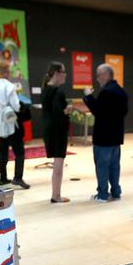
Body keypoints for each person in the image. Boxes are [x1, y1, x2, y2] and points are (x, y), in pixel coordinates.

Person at [84, 64, 128, 202]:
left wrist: (88, 96)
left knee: (102, 166)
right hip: (116, 136)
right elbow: (123, 112)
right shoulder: (121, 92)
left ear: (106, 75)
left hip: (103, 137)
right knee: (115, 165)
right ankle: (115, 192)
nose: (97, 79)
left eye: (98, 75)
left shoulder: (106, 92)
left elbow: (98, 111)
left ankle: (103, 194)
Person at [0, 59, 29, 189]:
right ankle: (18, 178)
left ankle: (2, 178)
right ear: (8, 71)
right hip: (10, 123)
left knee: (2, 151)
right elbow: (16, 106)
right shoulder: (9, 86)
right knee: (19, 152)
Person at [42, 61, 74, 203]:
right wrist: (67, 110)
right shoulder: (57, 91)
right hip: (57, 132)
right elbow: (57, 113)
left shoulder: (46, 89)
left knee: (57, 165)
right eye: (63, 72)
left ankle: (55, 194)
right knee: (58, 166)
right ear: (56, 73)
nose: (65, 75)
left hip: (50, 131)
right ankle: (56, 195)